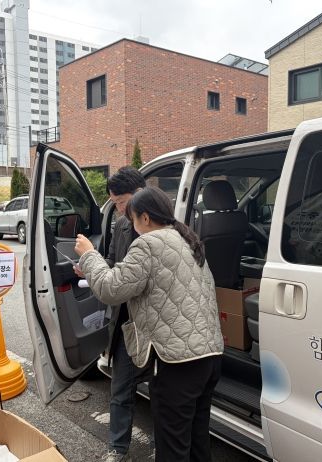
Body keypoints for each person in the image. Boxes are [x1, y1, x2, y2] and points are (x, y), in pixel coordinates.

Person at [74, 186, 224, 462]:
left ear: (144, 218)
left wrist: (89, 255)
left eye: (132, 219)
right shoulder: (187, 239)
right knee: (197, 441)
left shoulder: (148, 244)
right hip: (209, 355)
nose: (131, 225)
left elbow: (111, 288)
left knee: (172, 449)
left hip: (178, 363)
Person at [102, 166, 147, 462]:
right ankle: (117, 448)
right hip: (126, 318)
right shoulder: (120, 225)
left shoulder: (160, 227)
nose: (119, 209)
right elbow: (111, 260)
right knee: (120, 387)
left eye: (122, 202)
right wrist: (92, 266)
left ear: (140, 194)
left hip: (154, 320)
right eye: (115, 203)